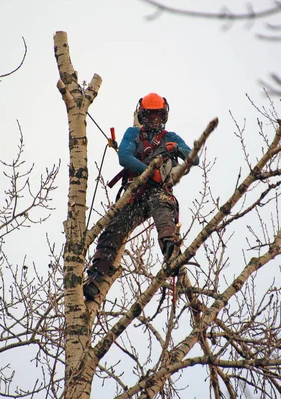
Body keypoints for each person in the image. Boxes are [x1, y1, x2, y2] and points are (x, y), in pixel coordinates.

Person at [83, 92, 200, 301]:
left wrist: (178, 149)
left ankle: (170, 252)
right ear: (142, 116)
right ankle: (94, 278)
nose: (154, 120)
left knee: (164, 211)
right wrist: (149, 172)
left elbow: (194, 158)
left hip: (158, 192)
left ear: (163, 116)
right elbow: (124, 157)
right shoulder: (133, 134)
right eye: (150, 115)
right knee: (114, 229)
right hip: (135, 193)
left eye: (157, 116)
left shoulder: (170, 137)